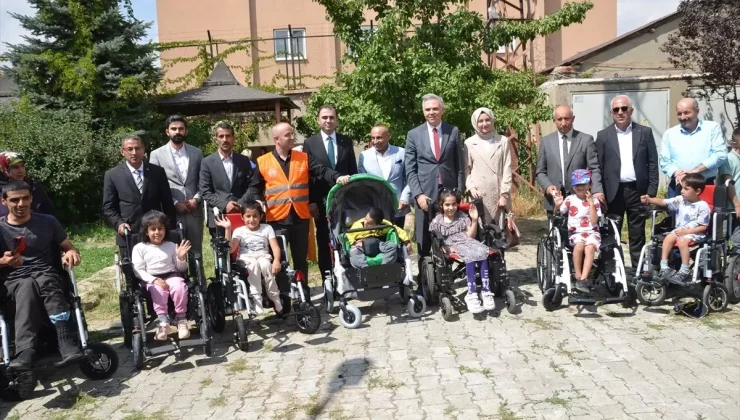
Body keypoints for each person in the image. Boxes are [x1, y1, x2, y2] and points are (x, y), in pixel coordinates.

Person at [0, 180, 82, 370]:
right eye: (15, 200)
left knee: (46, 280)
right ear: (4, 202)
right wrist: (4, 261)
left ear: (31, 198)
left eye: (25, 198)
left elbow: (68, 247)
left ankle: (65, 341)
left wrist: (70, 252)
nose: (21, 204)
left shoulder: (47, 222)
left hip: (45, 274)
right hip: (13, 280)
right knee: (27, 284)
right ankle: (25, 350)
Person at [252, 123, 334, 294]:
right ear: (276, 139)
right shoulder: (263, 162)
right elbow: (254, 188)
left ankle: (304, 295)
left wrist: (338, 177)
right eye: (288, 135)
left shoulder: (303, 157)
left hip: (300, 218)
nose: (292, 138)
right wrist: (257, 201)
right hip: (277, 220)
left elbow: (321, 171)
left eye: (292, 134)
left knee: (300, 261)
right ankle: (283, 298)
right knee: (279, 260)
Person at [595, 95, 659, 271]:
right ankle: (614, 273)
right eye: (616, 109)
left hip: (638, 192)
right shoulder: (603, 136)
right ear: (611, 113)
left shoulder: (644, 133)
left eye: (624, 108)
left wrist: (651, 192)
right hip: (612, 193)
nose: (620, 112)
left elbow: (653, 163)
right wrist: (598, 191)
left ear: (631, 110)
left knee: (637, 234)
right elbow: (597, 167)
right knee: (611, 233)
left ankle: (639, 272)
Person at [405, 94, 463, 260]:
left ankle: (447, 278)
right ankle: (424, 280)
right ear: (423, 112)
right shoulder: (413, 134)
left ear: (442, 110)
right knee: (424, 239)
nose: (432, 112)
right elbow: (410, 168)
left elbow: (459, 165)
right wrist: (418, 194)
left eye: (435, 108)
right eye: (428, 109)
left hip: (449, 194)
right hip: (425, 194)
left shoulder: (453, 131)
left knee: (451, 235)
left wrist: (459, 192)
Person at [302, 105, 354, 279]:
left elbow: (352, 171)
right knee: (324, 239)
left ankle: (347, 275)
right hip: (321, 200)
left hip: (345, 201)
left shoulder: (346, 141)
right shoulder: (310, 143)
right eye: (324, 117)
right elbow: (307, 174)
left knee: (346, 237)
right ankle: (327, 278)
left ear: (336, 120)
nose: (328, 120)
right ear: (318, 120)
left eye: (331, 117)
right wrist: (311, 201)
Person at [103, 135, 176, 256]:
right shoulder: (112, 175)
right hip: (129, 233)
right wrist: (119, 223)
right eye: (129, 149)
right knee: (132, 272)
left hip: (155, 232)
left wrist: (170, 230)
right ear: (122, 152)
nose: (134, 152)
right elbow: (108, 207)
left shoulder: (157, 172)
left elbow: (167, 203)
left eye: (137, 148)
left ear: (143, 150)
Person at [131, 211, 192, 341]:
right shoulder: (139, 248)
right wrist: (154, 280)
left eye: (160, 228)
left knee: (180, 286)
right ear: (146, 232)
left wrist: (181, 258)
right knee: (158, 290)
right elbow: (138, 270)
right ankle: (164, 323)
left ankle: (181, 320)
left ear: (165, 230)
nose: (157, 232)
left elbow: (181, 269)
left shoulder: (171, 246)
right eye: (153, 229)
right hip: (150, 278)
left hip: (172, 275)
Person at [429, 189, 492, 314]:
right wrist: (446, 249)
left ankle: (486, 290)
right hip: (451, 245)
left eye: (453, 204)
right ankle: (472, 293)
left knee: (483, 251)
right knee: (470, 255)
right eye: (447, 205)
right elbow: (436, 239)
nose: (451, 208)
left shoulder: (462, 217)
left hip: (467, 241)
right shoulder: (438, 221)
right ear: (441, 205)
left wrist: (474, 220)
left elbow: (470, 235)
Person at [149, 115, 205, 254]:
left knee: (196, 251)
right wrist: (174, 203)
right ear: (167, 132)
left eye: (181, 128)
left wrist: (196, 199)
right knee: (172, 251)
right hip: (170, 211)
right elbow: (155, 186)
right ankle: (177, 276)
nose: (177, 132)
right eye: (173, 129)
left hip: (194, 210)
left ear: (186, 131)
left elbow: (203, 180)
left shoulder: (197, 153)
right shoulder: (156, 154)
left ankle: (198, 276)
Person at [214, 202, 283, 315]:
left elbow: (275, 247)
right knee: (254, 265)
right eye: (248, 216)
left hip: (263, 256)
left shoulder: (267, 228)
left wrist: (276, 260)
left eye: (255, 216)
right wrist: (228, 229)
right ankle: (257, 300)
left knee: (266, 265)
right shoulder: (239, 231)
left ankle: (275, 298)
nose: (252, 219)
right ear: (242, 217)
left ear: (260, 216)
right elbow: (230, 249)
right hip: (246, 258)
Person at [641, 173, 710, 285]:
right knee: (668, 238)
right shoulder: (680, 200)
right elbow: (664, 202)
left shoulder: (702, 206)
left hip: (695, 232)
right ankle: (664, 266)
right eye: (682, 188)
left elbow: (703, 226)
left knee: (682, 241)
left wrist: (686, 232)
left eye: (686, 189)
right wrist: (649, 199)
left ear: (697, 191)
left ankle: (685, 269)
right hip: (680, 230)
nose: (682, 191)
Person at [535, 105, 603, 213]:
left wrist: (597, 190)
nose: (563, 122)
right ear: (554, 120)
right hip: (555, 200)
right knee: (556, 230)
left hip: (581, 199)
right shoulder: (546, 141)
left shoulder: (585, 140)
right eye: (559, 119)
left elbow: (594, 168)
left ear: (573, 118)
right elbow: (540, 171)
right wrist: (548, 187)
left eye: (566, 118)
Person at [199, 121, 261, 236]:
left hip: (242, 214)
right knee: (222, 253)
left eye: (228, 136)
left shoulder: (243, 160)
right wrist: (225, 205)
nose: (224, 139)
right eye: (221, 136)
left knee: (243, 252)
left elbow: (252, 185)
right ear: (216, 139)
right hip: (219, 216)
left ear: (233, 139)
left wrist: (241, 204)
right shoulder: (207, 162)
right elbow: (205, 191)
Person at [659, 98, 727, 198]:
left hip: (704, 185)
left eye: (686, 113)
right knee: (676, 214)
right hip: (678, 186)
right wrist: (676, 172)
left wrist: (695, 171)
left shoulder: (712, 128)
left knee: (706, 213)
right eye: (679, 113)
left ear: (697, 111)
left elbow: (720, 155)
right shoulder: (669, 134)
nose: (683, 117)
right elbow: (664, 161)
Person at [553, 169, 603, 293]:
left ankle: (584, 279)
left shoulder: (595, 201)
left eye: (583, 184)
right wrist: (557, 205)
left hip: (592, 232)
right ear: (573, 186)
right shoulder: (570, 199)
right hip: (576, 233)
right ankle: (578, 276)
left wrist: (591, 204)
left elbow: (594, 220)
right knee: (579, 246)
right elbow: (557, 214)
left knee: (589, 248)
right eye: (577, 185)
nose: (580, 187)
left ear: (590, 185)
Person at [464, 107, 513, 226]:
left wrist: (504, 194)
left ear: (492, 120)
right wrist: (472, 188)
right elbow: (466, 169)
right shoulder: (469, 143)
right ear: (475, 122)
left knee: (500, 233)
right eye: (480, 121)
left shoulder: (502, 141)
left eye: (487, 120)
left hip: (499, 195)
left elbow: (507, 167)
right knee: (480, 233)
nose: (484, 124)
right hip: (479, 196)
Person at [358, 124, 411, 227]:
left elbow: (409, 177)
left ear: (388, 136)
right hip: (374, 208)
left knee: (397, 237)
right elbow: (362, 182)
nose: (375, 141)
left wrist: (405, 197)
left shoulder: (401, 152)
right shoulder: (364, 156)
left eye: (379, 137)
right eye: (373, 138)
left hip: (398, 206)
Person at [347, 207, 412, 269]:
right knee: (353, 251)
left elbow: (397, 229)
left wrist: (407, 241)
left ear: (377, 224)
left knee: (392, 246)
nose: (365, 223)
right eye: (366, 219)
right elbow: (348, 235)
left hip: (379, 244)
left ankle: (383, 267)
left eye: (369, 223)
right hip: (362, 245)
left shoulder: (384, 224)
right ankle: (366, 268)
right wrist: (354, 243)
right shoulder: (357, 225)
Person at [0, 151, 55, 217]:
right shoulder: (1, 189)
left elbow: (49, 211)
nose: (21, 170)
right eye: (15, 167)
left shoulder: (34, 186)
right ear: (4, 169)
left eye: (22, 166)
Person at [719, 128, 740, 247]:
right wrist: (737, 204)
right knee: (725, 240)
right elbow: (727, 182)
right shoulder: (728, 159)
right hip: (729, 208)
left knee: (737, 242)